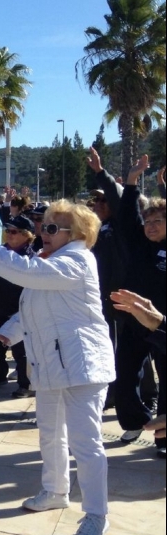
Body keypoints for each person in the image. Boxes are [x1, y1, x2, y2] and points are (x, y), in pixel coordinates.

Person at [0, 200, 114, 535]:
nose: (44, 233)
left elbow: (28, 274)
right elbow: (33, 309)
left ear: (78, 233)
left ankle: (97, 514)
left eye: (53, 228)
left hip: (82, 365)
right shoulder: (49, 260)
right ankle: (55, 491)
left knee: (85, 442)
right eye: (44, 226)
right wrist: (8, 334)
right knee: (50, 434)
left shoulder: (78, 259)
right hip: (52, 363)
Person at [112, 155, 166, 448]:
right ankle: (134, 422)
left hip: (163, 327)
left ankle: (163, 438)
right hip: (134, 323)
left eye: (158, 221)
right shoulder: (139, 243)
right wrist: (131, 181)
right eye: (148, 222)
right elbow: (128, 217)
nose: (150, 226)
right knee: (125, 375)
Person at [0, 215, 36, 396]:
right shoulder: (1, 252)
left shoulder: (32, 258)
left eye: (14, 232)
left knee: (21, 351)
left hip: (20, 310)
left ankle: (26, 384)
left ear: (27, 235)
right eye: (7, 231)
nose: (9, 234)